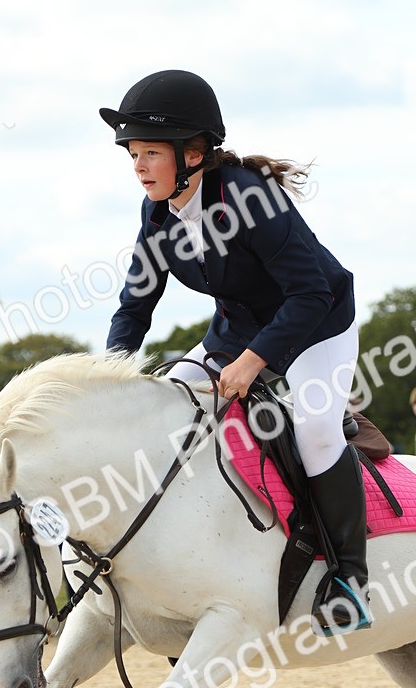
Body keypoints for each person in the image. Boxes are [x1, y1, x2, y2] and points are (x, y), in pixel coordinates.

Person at [100, 68, 369, 635]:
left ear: (192, 153)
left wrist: (253, 362)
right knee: (177, 402)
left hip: (318, 323)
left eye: (150, 153)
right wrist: (107, 376)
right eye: (133, 154)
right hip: (237, 330)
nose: (138, 167)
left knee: (315, 429)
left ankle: (349, 577)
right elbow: (135, 306)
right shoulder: (158, 214)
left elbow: (310, 292)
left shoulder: (251, 197)